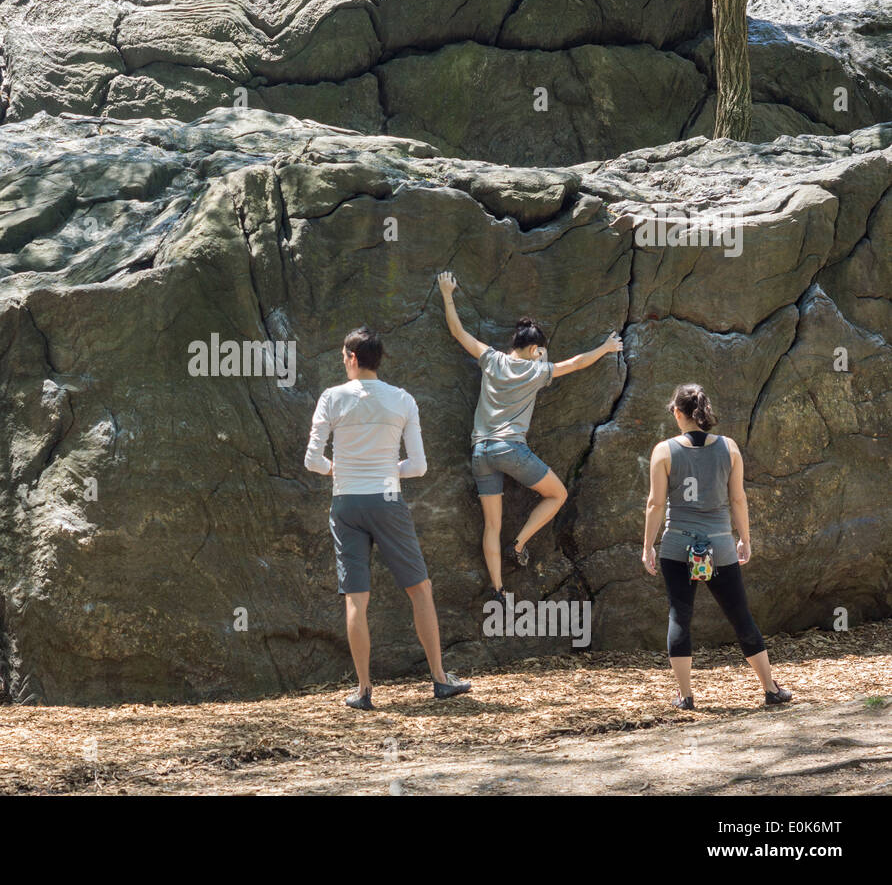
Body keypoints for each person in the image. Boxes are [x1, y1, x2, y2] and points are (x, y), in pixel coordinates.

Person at [305, 326, 471, 710]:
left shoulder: (331, 398)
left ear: (351, 358)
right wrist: (385, 469)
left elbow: (312, 461)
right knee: (419, 589)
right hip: (387, 500)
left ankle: (363, 691)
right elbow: (419, 466)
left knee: (355, 598)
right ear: (379, 360)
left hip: (346, 504)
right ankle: (440, 679)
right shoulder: (402, 399)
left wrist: (340, 469)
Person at [438, 271, 622, 598]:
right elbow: (577, 363)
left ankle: (497, 590)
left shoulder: (491, 359)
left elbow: (458, 331)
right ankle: (519, 544)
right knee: (557, 495)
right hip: (511, 450)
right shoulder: (538, 372)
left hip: (481, 451)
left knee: (491, 525)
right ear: (535, 348)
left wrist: (447, 293)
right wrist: (606, 347)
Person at [642, 384, 792, 710]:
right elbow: (738, 498)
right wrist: (745, 539)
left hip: (677, 544)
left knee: (680, 616)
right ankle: (770, 689)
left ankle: (686, 696)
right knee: (740, 615)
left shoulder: (663, 451)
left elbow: (655, 504)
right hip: (720, 544)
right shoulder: (730, 448)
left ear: (678, 413)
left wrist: (647, 546)